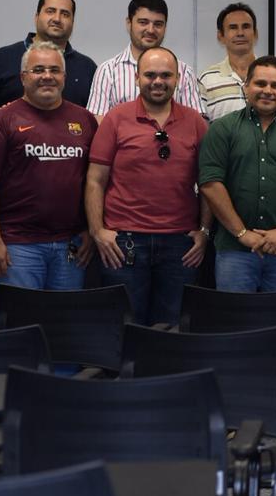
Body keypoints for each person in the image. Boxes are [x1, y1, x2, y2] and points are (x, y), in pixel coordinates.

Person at [85, 47, 211, 325]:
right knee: (124, 328)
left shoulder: (196, 123)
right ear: (136, 77)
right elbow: (95, 179)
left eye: (166, 75)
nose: (158, 81)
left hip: (181, 246)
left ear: (178, 79)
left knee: (173, 331)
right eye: (150, 75)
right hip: (124, 243)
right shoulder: (116, 119)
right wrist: (97, 231)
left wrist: (204, 231)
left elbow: (208, 183)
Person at [0, 41, 97, 290]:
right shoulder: (1, 120)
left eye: (54, 70)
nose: (47, 76)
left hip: (70, 246)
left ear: (64, 76)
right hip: (17, 247)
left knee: (63, 325)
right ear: (23, 77)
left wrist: (89, 229)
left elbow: (92, 181)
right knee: (22, 323)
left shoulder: (85, 120)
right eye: (38, 70)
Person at [199, 56, 276, 292]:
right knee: (235, 323)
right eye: (260, 84)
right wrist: (242, 233)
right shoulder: (222, 129)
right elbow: (211, 184)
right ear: (246, 86)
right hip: (234, 250)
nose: (268, 91)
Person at [0, 0, 97, 118]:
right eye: (50, 11)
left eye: (65, 14)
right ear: (36, 16)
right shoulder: (2, 58)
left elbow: (95, 115)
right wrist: (4, 119)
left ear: (73, 22)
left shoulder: (87, 67)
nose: (57, 19)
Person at [87, 0, 203, 120]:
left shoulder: (184, 72)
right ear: (129, 23)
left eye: (158, 24)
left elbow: (195, 124)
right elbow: (99, 123)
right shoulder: (108, 71)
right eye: (143, 22)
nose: (151, 30)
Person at [198, 2, 260, 121]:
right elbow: (203, 127)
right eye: (233, 27)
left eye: (246, 26)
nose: (240, 33)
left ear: (255, 33)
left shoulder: (272, 75)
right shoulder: (207, 79)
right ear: (220, 36)